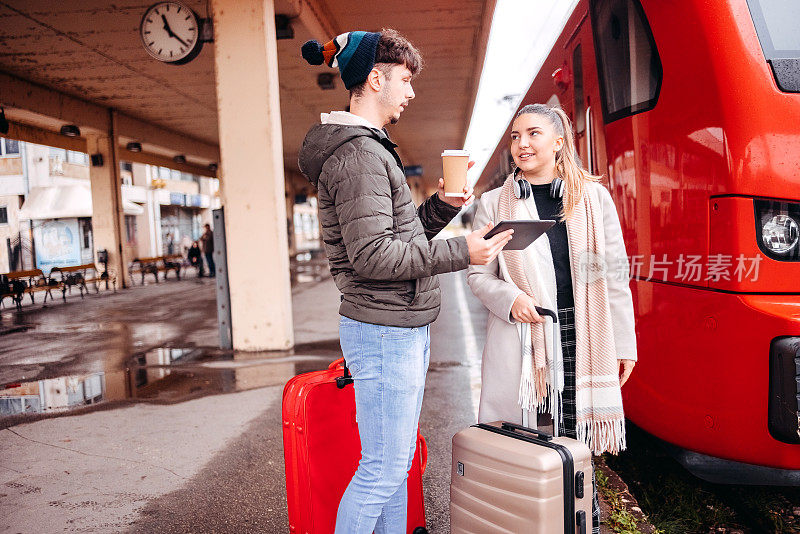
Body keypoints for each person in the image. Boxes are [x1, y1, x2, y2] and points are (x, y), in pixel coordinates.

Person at [298, 29, 514, 534]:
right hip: (383, 329)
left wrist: (441, 208)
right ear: (375, 79)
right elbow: (375, 256)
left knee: (394, 469)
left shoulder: (371, 150)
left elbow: (401, 237)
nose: (411, 92)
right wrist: (465, 251)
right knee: (383, 469)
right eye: (404, 80)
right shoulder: (360, 156)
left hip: (395, 325)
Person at [466, 104, 637, 534]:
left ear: (559, 143)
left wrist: (625, 344)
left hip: (584, 333)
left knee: (577, 437)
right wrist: (510, 298)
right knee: (536, 438)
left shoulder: (593, 199)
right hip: (528, 337)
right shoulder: (493, 204)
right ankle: (537, 522)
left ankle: (583, 522)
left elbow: (612, 275)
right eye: (516, 136)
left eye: (533, 134)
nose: (522, 144)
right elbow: (478, 275)